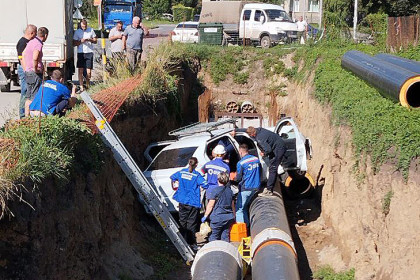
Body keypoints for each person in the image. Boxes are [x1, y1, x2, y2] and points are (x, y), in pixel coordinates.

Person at [170, 157, 208, 251]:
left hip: (182, 200)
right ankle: (192, 243)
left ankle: (182, 242)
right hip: (192, 202)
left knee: (182, 222)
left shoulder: (182, 172)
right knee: (191, 224)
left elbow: (172, 177)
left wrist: (177, 184)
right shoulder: (196, 175)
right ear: (196, 165)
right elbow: (205, 184)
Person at [246, 126, 286, 196]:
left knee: (272, 168)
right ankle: (273, 181)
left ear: (252, 134)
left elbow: (268, 150)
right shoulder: (259, 130)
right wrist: (235, 130)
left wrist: (263, 153)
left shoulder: (260, 138)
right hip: (278, 144)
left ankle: (269, 190)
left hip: (278, 149)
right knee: (272, 166)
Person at [201, 172, 235, 242]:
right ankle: (225, 250)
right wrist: (234, 216)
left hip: (217, 218)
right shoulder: (230, 191)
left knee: (213, 237)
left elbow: (210, 205)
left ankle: (214, 251)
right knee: (225, 237)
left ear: (218, 179)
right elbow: (232, 205)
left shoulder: (215, 190)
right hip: (228, 218)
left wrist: (205, 216)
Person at [23, 27, 49, 117]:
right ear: (45, 35)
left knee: (28, 95)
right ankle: (33, 116)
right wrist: (36, 68)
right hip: (34, 73)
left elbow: (24, 54)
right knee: (35, 95)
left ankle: (26, 116)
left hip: (28, 71)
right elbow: (35, 57)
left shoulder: (31, 42)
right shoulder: (38, 44)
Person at [235, 144, 261, 226]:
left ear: (240, 151)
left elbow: (238, 178)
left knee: (239, 209)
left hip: (246, 188)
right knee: (245, 207)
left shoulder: (241, 163)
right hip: (256, 187)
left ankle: (241, 229)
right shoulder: (256, 159)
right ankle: (248, 226)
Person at [16, 24, 37, 118]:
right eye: (35, 34)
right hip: (24, 69)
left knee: (29, 91)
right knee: (24, 92)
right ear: (31, 33)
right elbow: (21, 58)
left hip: (27, 69)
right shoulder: (22, 42)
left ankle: (28, 112)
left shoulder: (28, 41)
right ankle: (22, 114)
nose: (35, 36)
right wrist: (26, 71)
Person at [73, 19, 97, 90]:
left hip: (89, 52)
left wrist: (90, 40)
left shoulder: (91, 30)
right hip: (81, 52)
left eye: (85, 26)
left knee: (88, 71)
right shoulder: (77, 32)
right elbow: (74, 43)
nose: (84, 27)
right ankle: (81, 86)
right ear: (80, 25)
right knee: (80, 70)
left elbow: (95, 40)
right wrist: (81, 41)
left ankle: (87, 83)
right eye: (83, 26)